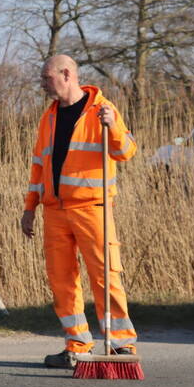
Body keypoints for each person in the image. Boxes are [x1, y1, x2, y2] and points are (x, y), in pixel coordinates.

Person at [20, 55, 139, 369]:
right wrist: (29, 207)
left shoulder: (102, 110)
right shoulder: (49, 117)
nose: (43, 84)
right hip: (55, 212)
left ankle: (121, 345)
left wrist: (112, 126)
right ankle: (77, 345)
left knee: (105, 277)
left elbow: (126, 151)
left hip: (92, 208)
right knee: (62, 281)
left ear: (66, 74)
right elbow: (38, 166)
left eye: (47, 78)